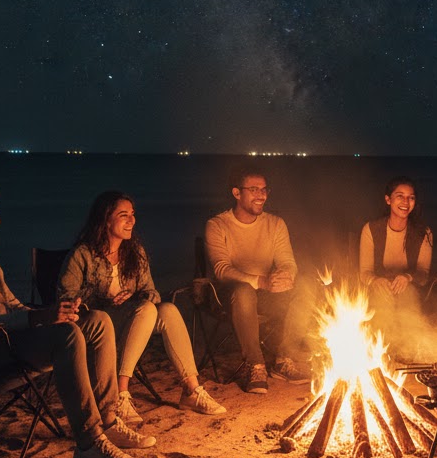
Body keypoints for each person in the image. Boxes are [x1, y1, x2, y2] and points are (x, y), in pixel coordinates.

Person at [0, 178, 153, 458]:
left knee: (96, 320)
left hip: (2, 344)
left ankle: (108, 420)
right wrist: (36, 319)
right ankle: (89, 444)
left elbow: (14, 306)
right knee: (65, 336)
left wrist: (51, 312)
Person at [58, 191, 226, 425]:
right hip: (100, 325)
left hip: (134, 319)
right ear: (105, 219)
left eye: (133, 215)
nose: (132, 221)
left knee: (167, 310)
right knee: (147, 309)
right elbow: (66, 294)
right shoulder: (83, 254)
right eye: (123, 215)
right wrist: (99, 300)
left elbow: (152, 292)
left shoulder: (134, 253)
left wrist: (134, 295)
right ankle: (120, 394)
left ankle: (191, 390)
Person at [204, 169, 315, 393]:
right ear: (237, 193)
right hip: (228, 295)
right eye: (254, 190)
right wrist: (260, 281)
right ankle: (255, 364)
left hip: (266, 293)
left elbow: (287, 261)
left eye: (264, 190)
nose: (261, 195)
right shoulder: (217, 225)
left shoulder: (275, 224)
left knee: (308, 286)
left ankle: (285, 359)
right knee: (244, 291)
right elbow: (221, 269)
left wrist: (285, 277)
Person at [358, 176, 433, 357]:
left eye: (411, 197)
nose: (406, 202)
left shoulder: (423, 232)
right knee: (382, 297)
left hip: (408, 287)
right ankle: (382, 352)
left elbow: (424, 273)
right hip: (379, 286)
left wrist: (407, 278)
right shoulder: (371, 229)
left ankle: (406, 351)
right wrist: (376, 280)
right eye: (400, 196)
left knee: (407, 296)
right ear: (388, 199)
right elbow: (364, 272)